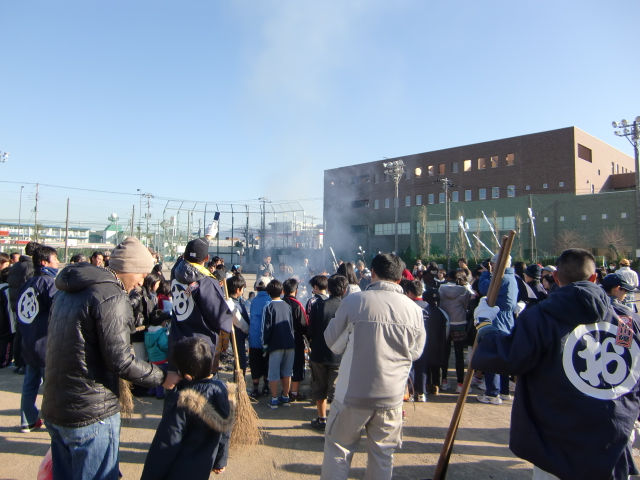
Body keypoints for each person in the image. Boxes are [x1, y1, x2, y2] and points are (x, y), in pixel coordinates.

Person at [472, 248, 640, 480]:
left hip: (558, 439)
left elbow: (508, 356)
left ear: (556, 278)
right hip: (614, 434)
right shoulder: (628, 320)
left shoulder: (541, 316)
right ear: (594, 277)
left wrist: (485, 324)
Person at [42, 237, 181, 480]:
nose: (141, 282)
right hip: (90, 412)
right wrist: (162, 377)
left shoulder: (68, 290)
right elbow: (120, 360)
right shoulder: (111, 295)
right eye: (141, 274)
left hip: (57, 408)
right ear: (127, 268)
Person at [320, 253, 426, 480]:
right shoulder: (414, 310)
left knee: (338, 449)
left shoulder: (355, 301)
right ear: (400, 279)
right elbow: (416, 352)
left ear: (372, 273)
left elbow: (333, 343)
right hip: (391, 396)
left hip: (351, 394)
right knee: (383, 456)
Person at [140, 336, 234, 480]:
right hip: (202, 469)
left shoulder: (183, 401)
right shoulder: (222, 389)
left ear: (188, 376)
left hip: (178, 472)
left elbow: (166, 444)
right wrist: (221, 459)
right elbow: (225, 431)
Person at [169, 237, 233, 376]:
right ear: (207, 258)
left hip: (176, 337)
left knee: (178, 381)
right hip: (199, 345)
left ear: (184, 255)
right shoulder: (207, 281)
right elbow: (218, 316)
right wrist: (228, 312)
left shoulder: (175, 271)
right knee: (198, 382)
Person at [17, 246, 59, 432]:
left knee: (30, 383)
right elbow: (59, 310)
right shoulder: (49, 283)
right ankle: (54, 423)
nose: (57, 262)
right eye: (55, 259)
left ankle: (28, 420)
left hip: (28, 340)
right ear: (44, 262)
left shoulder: (27, 283)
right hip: (45, 342)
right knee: (52, 386)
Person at [476, 253, 518, 404]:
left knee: (492, 356)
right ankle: (504, 391)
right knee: (502, 358)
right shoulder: (512, 278)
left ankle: (492, 393)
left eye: (493, 265)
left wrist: (485, 274)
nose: (491, 267)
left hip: (496, 319)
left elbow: (485, 289)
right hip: (507, 321)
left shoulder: (502, 278)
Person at [307, 274, 348, 430]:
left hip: (319, 353)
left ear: (328, 289)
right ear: (345, 290)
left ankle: (322, 418)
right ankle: (338, 421)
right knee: (338, 391)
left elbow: (311, 330)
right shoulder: (347, 307)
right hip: (340, 356)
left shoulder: (318, 305)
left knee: (319, 388)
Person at [7, 241, 41, 374]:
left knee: (19, 334)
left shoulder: (16, 265)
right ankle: (24, 363)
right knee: (26, 335)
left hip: (15, 303)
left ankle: (18, 363)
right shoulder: (30, 267)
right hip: (26, 305)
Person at [261, 279, 295, 409]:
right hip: (289, 343)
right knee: (287, 372)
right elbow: (291, 325)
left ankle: (274, 398)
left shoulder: (268, 307)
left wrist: (265, 345)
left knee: (273, 373)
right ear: (282, 292)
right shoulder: (287, 305)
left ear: (268, 293)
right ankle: (285, 397)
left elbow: (265, 328)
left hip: (275, 345)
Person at [438, 270, 473, 394]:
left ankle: (444, 381)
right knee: (459, 355)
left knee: (445, 354)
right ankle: (460, 384)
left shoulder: (441, 288)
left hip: (446, 324)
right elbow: (467, 306)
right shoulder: (464, 291)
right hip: (459, 324)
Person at [282, 278, 308, 401]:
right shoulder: (297, 304)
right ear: (296, 291)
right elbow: (304, 324)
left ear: (283, 290)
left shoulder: (279, 303)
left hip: (281, 340)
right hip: (296, 339)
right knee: (297, 365)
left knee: (284, 365)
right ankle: (294, 392)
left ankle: (285, 392)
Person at [249, 276, 272, 397]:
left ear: (257, 288)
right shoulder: (270, 301)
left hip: (254, 339)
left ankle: (255, 388)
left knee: (255, 363)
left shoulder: (253, 301)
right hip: (267, 339)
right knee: (266, 363)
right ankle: (266, 387)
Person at [226, 274, 250, 376]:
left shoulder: (238, 301)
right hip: (237, 334)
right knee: (240, 358)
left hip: (241, 334)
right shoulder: (230, 303)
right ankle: (240, 378)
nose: (243, 291)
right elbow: (239, 321)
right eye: (242, 289)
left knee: (241, 357)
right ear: (237, 290)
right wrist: (248, 330)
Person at [145, 310, 171, 399]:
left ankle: (151, 391)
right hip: (162, 359)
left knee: (153, 376)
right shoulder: (161, 332)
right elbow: (163, 345)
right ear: (163, 322)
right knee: (161, 376)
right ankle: (160, 394)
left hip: (152, 359)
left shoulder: (148, 332)